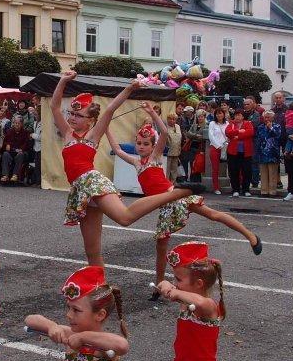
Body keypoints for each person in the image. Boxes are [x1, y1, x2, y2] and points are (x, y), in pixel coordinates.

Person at [107, 111, 260, 300]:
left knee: (213, 215)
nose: (141, 147)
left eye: (146, 144)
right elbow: (117, 148)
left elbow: (163, 132)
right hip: (164, 205)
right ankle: (159, 285)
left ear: (153, 145)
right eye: (138, 143)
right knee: (161, 247)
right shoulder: (137, 163)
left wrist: (152, 113)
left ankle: (251, 236)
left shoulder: (155, 157)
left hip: (175, 196)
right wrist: (106, 125)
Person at [50, 72, 196, 267]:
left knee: (124, 218)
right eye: (72, 114)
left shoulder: (93, 136)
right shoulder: (68, 134)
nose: (73, 117)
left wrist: (129, 88)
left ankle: (178, 192)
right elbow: (55, 106)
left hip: (91, 183)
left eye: (78, 115)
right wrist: (63, 80)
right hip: (79, 190)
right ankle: (100, 291)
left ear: (90, 120)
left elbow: (110, 109)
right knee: (92, 251)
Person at [132, 241, 225, 361]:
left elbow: (200, 301)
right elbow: (173, 288)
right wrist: (166, 284)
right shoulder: (186, 298)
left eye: (179, 279)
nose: (175, 283)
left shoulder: (208, 306)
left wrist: (175, 292)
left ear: (198, 284)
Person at [225, 109, 254, 197]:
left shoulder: (248, 123)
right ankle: (235, 189)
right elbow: (228, 133)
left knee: (247, 171)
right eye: (236, 115)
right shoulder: (231, 124)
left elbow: (250, 132)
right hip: (233, 152)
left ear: (243, 116)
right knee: (233, 171)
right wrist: (238, 131)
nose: (237, 117)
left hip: (246, 152)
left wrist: (237, 137)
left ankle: (246, 189)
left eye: (239, 115)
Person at [254, 110, 283, 197]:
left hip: (273, 153)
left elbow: (277, 135)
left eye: (268, 117)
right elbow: (259, 138)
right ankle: (264, 191)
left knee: (272, 173)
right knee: (263, 172)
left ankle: (272, 191)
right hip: (262, 153)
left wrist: (270, 128)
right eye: (265, 117)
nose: (266, 119)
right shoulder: (260, 127)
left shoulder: (277, 126)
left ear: (272, 118)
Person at [0, 114, 31, 184]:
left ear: (22, 124)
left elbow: (26, 144)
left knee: (20, 155)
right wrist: (7, 145)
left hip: (21, 152)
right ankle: (5, 175)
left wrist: (21, 149)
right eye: (15, 123)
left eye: (18, 123)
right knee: (5, 154)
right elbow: (5, 141)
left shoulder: (25, 132)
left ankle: (15, 175)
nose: (16, 125)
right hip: (11, 152)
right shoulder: (9, 131)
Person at [207, 108, 228, 194]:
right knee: (215, 169)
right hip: (215, 148)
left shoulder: (227, 123)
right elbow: (211, 135)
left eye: (221, 113)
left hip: (226, 147)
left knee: (230, 167)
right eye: (217, 114)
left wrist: (225, 144)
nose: (219, 115)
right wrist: (218, 145)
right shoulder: (212, 123)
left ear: (224, 114)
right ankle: (216, 187)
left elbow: (229, 134)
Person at [164, 112, 183, 183]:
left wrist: (179, 149)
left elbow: (180, 138)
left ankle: (173, 183)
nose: (172, 120)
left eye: (174, 119)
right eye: (170, 119)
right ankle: (166, 183)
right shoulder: (165, 126)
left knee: (174, 169)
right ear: (167, 119)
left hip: (176, 150)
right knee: (167, 169)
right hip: (167, 151)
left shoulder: (178, 126)